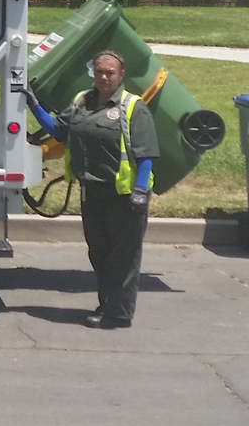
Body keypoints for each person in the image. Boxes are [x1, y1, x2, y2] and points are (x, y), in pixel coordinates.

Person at [26, 50, 158, 329]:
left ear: (121, 75)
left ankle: (118, 315)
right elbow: (59, 130)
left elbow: (146, 155)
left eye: (110, 72)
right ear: (93, 73)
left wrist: (140, 191)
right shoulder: (81, 102)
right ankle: (107, 305)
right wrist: (33, 104)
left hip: (123, 195)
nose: (104, 77)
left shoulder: (132, 107)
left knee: (123, 257)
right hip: (91, 191)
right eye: (99, 71)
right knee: (99, 253)